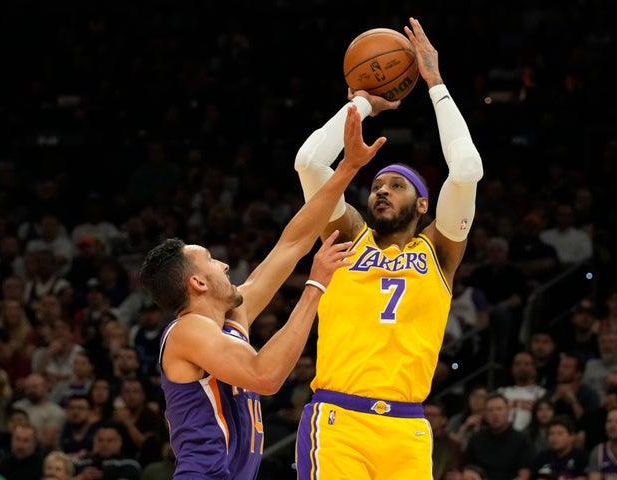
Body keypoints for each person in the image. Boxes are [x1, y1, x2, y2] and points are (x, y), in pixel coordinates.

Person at [138, 101, 386, 479]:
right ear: (198, 283)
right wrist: (316, 285)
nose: (224, 265)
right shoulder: (187, 332)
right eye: (212, 260)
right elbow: (265, 376)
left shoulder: (232, 317)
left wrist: (349, 167)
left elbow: (294, 242)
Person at [292, 18, 483, 479]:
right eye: (377, 184)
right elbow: (310, 161)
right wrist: (362, 101)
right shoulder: (347, 237)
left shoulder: (438, 251)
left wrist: (434, 82)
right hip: (339, 420)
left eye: (396, 185)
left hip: (407, 429)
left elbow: (467, 168)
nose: (381, 190)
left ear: (422, 203)